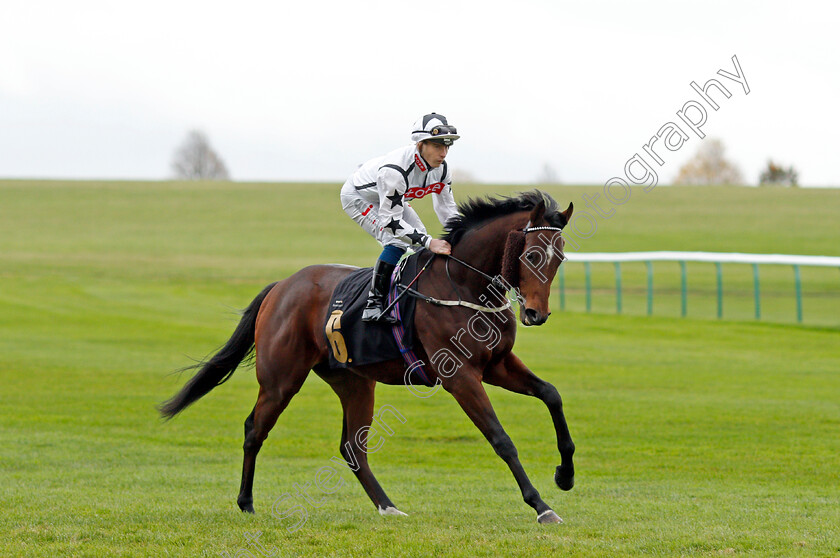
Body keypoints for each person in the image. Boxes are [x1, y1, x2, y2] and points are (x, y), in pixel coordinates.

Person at [340, 113, 460, 323]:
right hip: (359, 197)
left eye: (447, 146)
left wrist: (462, 234)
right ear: (420, 144)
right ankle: (373, 304)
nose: (444, 153)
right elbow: (390, 222)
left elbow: (447, 210)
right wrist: (429, 242)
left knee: (420, 240)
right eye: (438, 146)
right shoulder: (395, 171)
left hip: (388, 198)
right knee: (396, 240)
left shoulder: (442, 170)